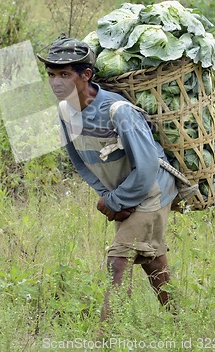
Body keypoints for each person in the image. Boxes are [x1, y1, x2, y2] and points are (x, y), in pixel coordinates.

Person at [37, 37, 178, 321]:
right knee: (152, 261)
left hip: (152, 191)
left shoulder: (119, 111)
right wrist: (110, 198)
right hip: (124, 195)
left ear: (86, 75)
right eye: (51, 75)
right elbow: (80, 162)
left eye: (65, 74)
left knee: (118, 261)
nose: (56, 82)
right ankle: (181, 321)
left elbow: (148, 166)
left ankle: (106, 338)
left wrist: (117, 200)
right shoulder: (65, 112)